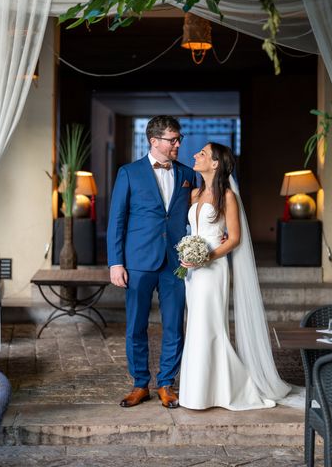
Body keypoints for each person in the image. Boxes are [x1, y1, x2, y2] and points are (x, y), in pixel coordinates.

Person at [179, 142, 292, 410]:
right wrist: (187, 254)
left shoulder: (228, 197)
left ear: (216, 163)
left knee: (210, 327)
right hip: (192, 272)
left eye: (203, 154)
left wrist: (206, 257)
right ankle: (199, 391)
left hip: (212, 269)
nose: (196, 155)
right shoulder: (194, 194)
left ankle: (226, 389)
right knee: (195, 326)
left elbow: (235, 239)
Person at [107, 115, 196, 409]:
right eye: (173, 140)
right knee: (135, 326)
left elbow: (198, 214)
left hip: (176, 262)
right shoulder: (129, 173)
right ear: (154, 141)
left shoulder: (187, 173)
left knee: (174, 325)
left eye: (178, 138)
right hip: (138, 261)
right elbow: (116, 221)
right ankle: (139, 384)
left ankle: (167, 384)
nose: (178, 144)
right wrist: (115, 262)